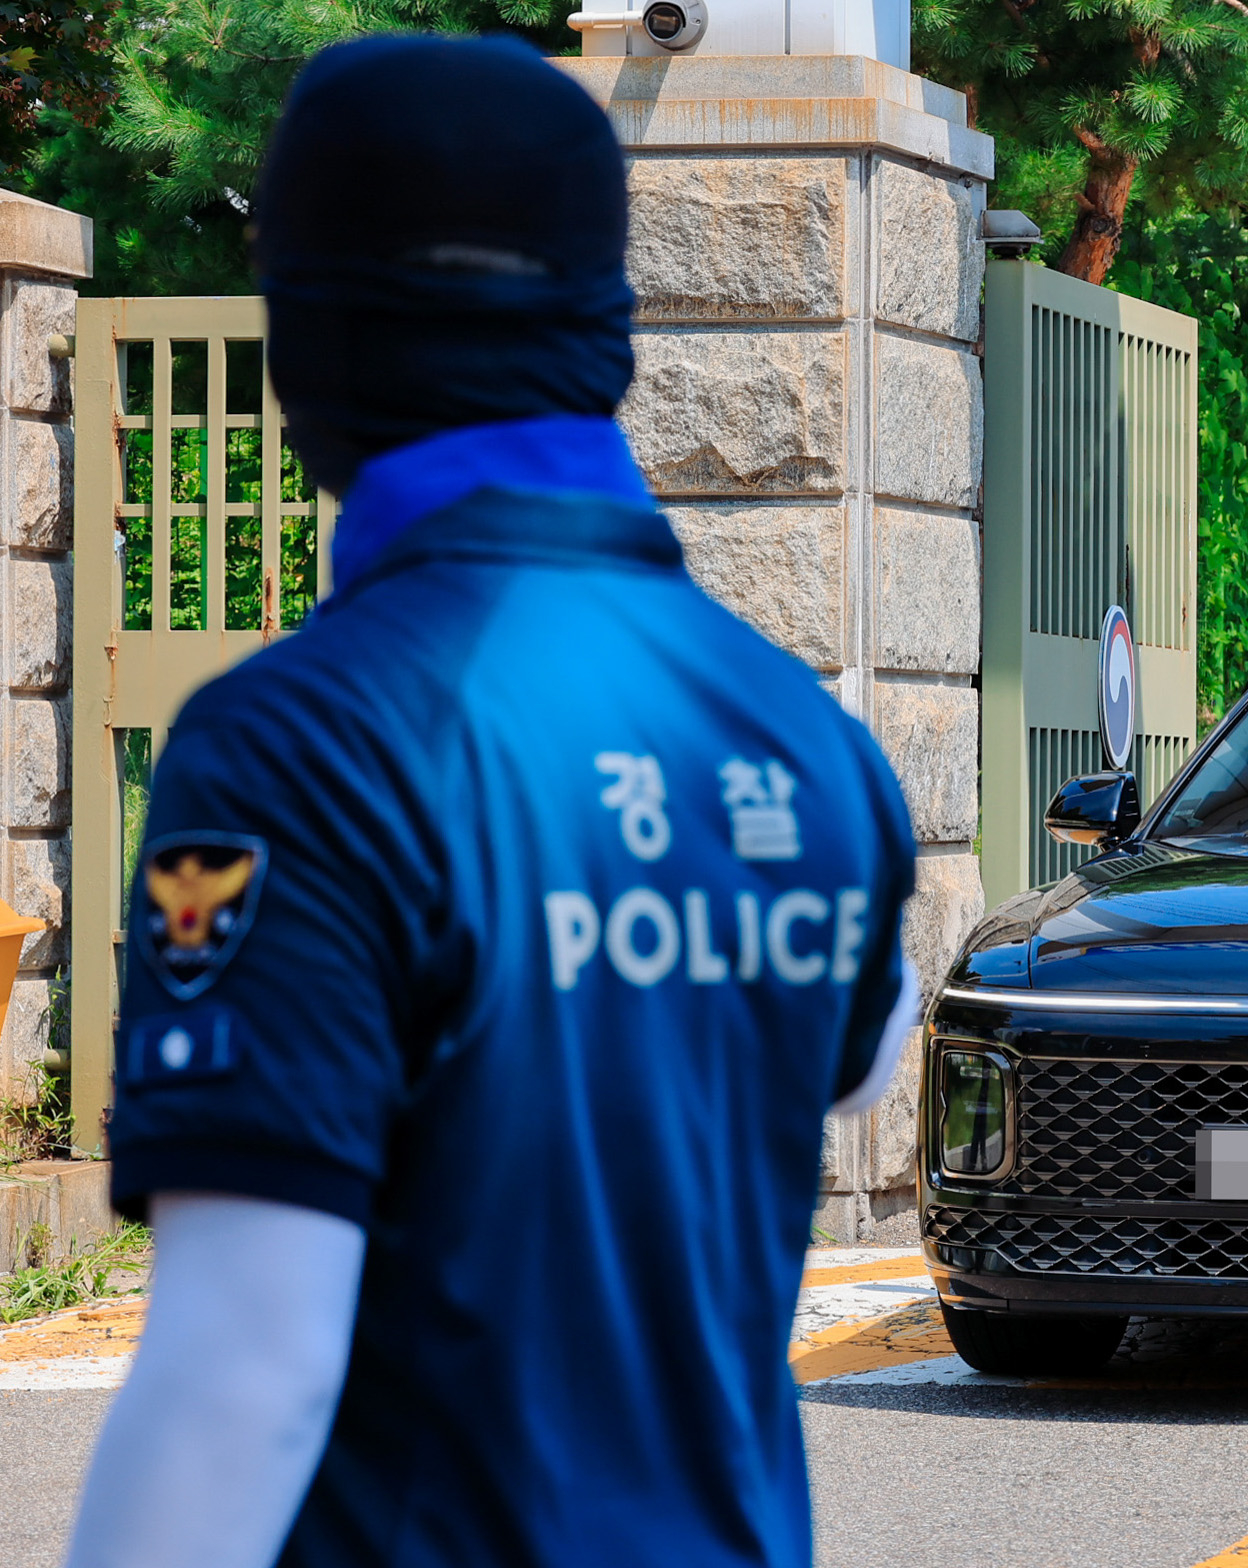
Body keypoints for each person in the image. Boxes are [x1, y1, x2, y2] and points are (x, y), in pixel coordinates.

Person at [64, 33, 919, 1568]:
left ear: (314, 319)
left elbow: (245, 1373)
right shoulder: (807, 743)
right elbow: (859, 1067)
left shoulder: (304, 743)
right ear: (603, 314)